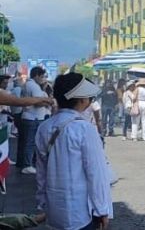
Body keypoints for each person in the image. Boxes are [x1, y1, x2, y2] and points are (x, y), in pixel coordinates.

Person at [35, 73, 112, 230]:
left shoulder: (44, 127)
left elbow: (40, 171)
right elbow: (96, 174)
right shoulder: (85, 129)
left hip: (54, 211)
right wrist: (103, 210)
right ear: (82, 99)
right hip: (80, 213)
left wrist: (43, 201)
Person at [18, 67, 51, 174]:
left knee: (26, 142)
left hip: (28, 117)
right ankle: (28, 165)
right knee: (31, 142)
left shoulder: (27, 85)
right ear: (36, 75)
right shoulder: (33, 86)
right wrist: (48, 102)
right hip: (34, 118)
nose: (43, 79)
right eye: (42, 77)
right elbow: (38, 102)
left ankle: (24, 163)